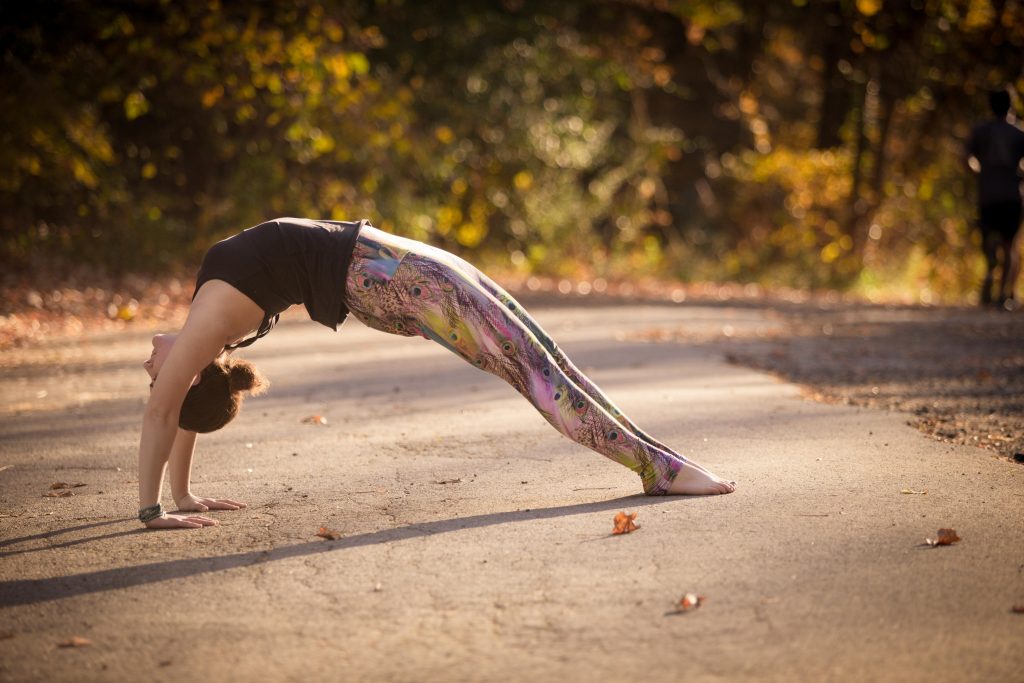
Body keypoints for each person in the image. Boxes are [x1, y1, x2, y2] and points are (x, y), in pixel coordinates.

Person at [137, 218, 736, 529]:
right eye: (156, 375)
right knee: (535, 372)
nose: (150, 369)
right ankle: (663, 471)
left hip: (399, 266)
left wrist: (184, 492)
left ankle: (664, 464)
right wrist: (152, 510)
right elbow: (167, 411)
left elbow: (181, 410)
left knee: (543, 356)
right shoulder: (203, 335)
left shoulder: (206, 333)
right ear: (191, 376)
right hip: (401, 280)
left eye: (154, 374)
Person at [967, 89, 1024, 310]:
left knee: (989, 238)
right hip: (1012, 195)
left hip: (988, 195)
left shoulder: (981, 131)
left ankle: (992, 270)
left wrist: (979, 172)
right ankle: (1004, 293)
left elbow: (967, 158)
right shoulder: (1018, 133)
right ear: (1010, 106)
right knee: (1010, 245)